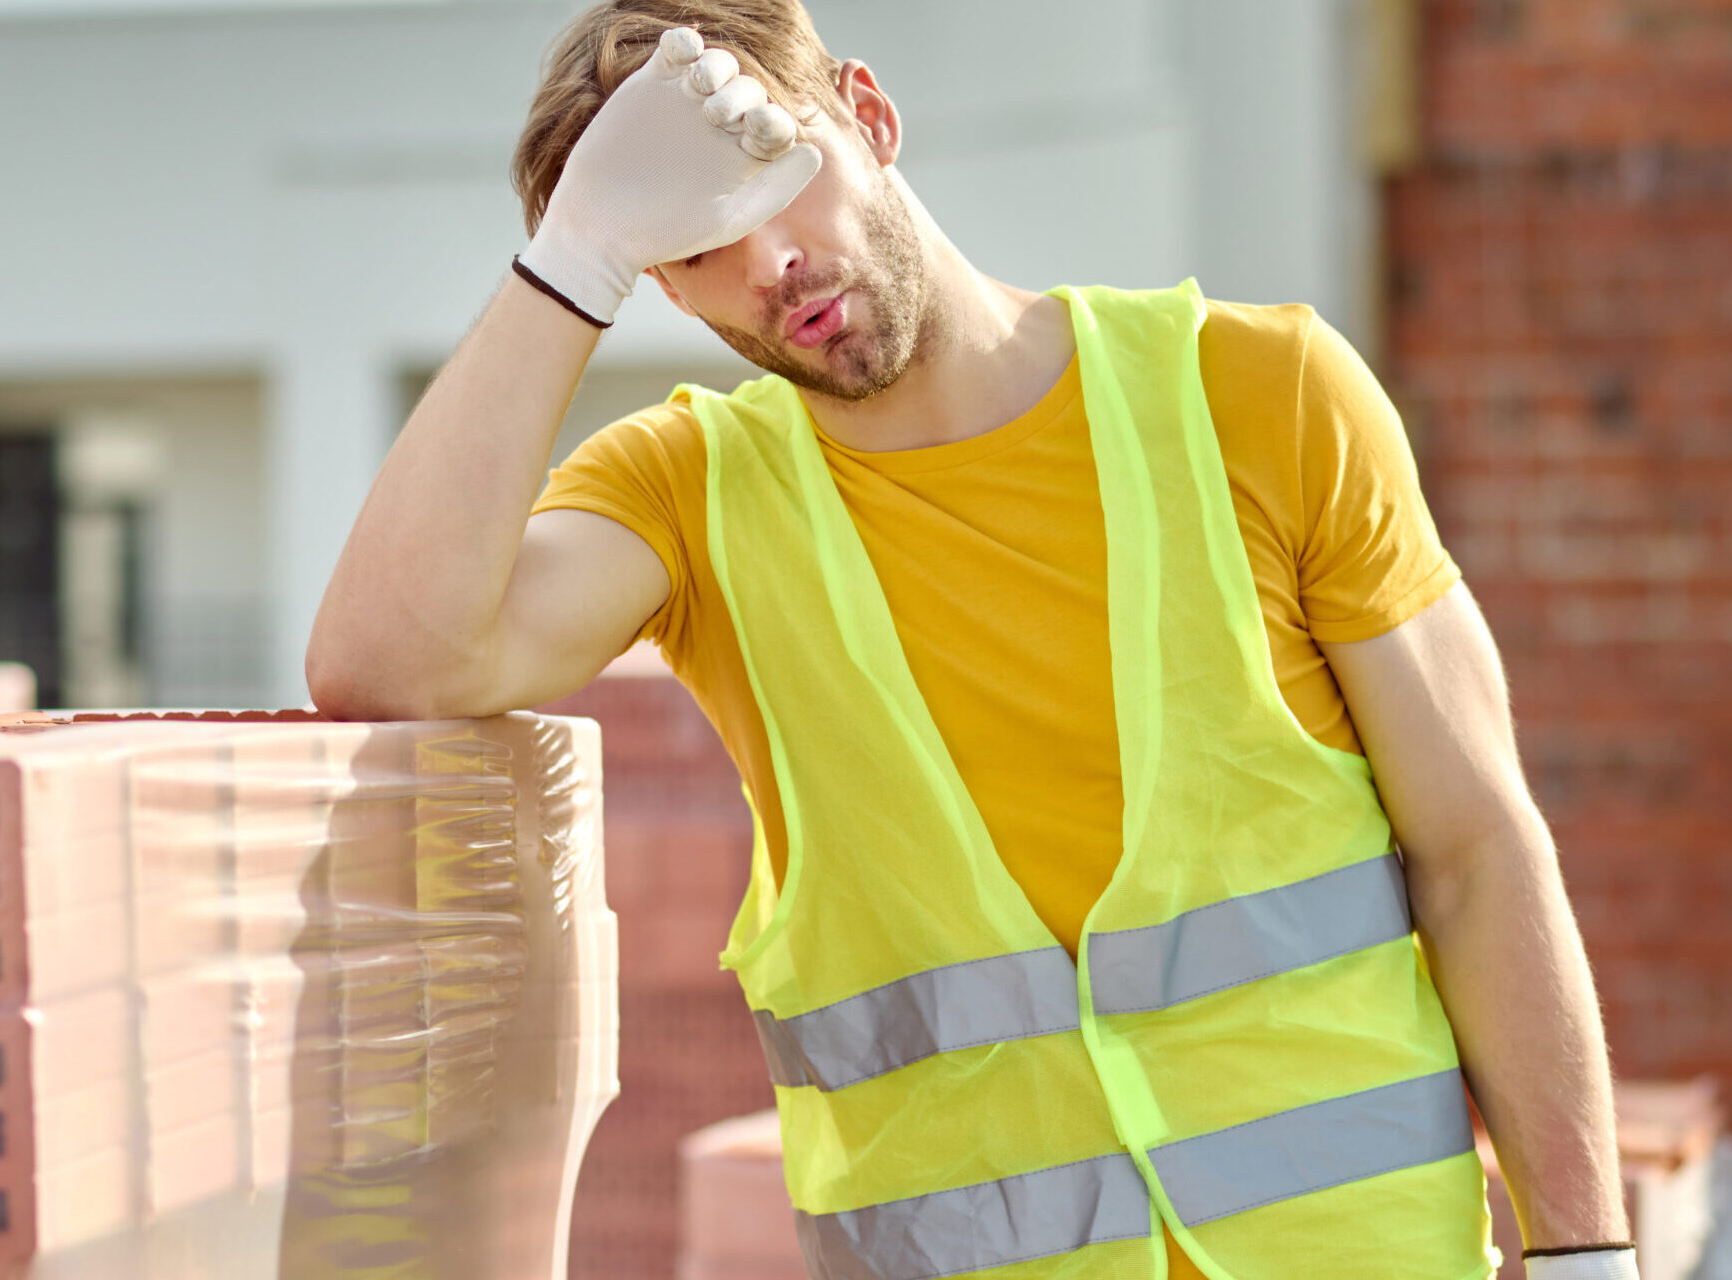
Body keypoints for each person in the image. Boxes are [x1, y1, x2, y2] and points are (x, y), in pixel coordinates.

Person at [306, 2, 1635, 1277]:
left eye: (771, 175)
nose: (767, 262)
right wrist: (576, 252)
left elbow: (1477, 852)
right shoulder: (689, 501)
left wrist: (1588, 1258)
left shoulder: (1265, 396)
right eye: (690, 243)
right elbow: (389, 664)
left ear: (868, 114)